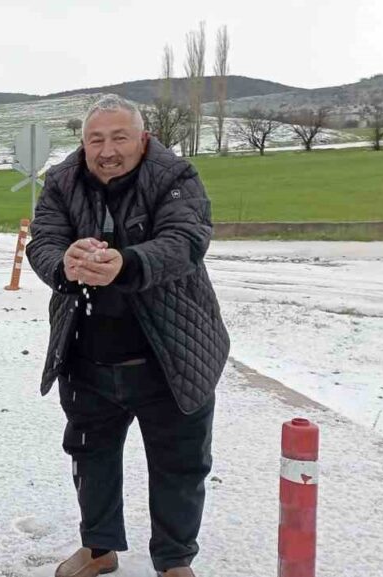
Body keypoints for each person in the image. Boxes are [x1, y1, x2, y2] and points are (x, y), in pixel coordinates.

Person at [25, 95, 230, 577]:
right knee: (90, 455)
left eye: (119, 137)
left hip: (173, 352)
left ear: (143, 138)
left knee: (180, 464)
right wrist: (64, 263)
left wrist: (127, 263)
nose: (107, 150)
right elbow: (44, 240)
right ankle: (99, 548)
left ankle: (175, 560)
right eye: (96, 139)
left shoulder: (176, 177)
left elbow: (186, 241)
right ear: (83, 142)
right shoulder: (60, 181)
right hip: (87, 353)